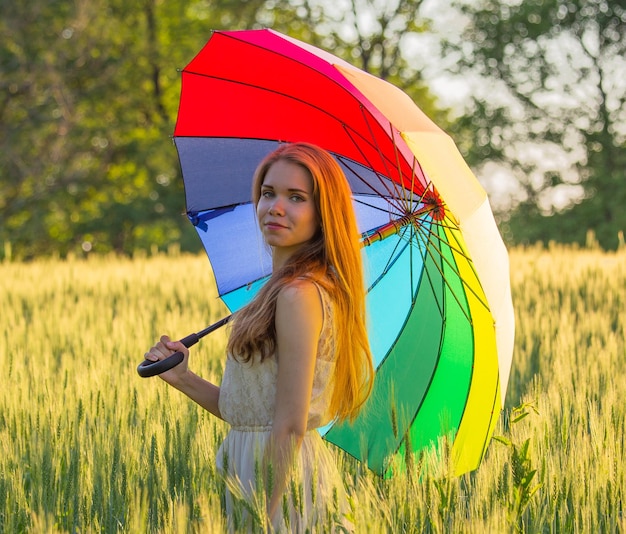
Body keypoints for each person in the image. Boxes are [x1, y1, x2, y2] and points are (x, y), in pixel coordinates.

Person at [144, 142, 374, 532]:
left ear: (323, 214)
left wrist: (264, 514)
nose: (276, 207)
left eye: (296, 197)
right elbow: (251, 416)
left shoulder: (299, 295)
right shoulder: (279, 291)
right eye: (268, 193)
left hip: (279, 484)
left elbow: (288, 423)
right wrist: (183, 377)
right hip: (257, 470)